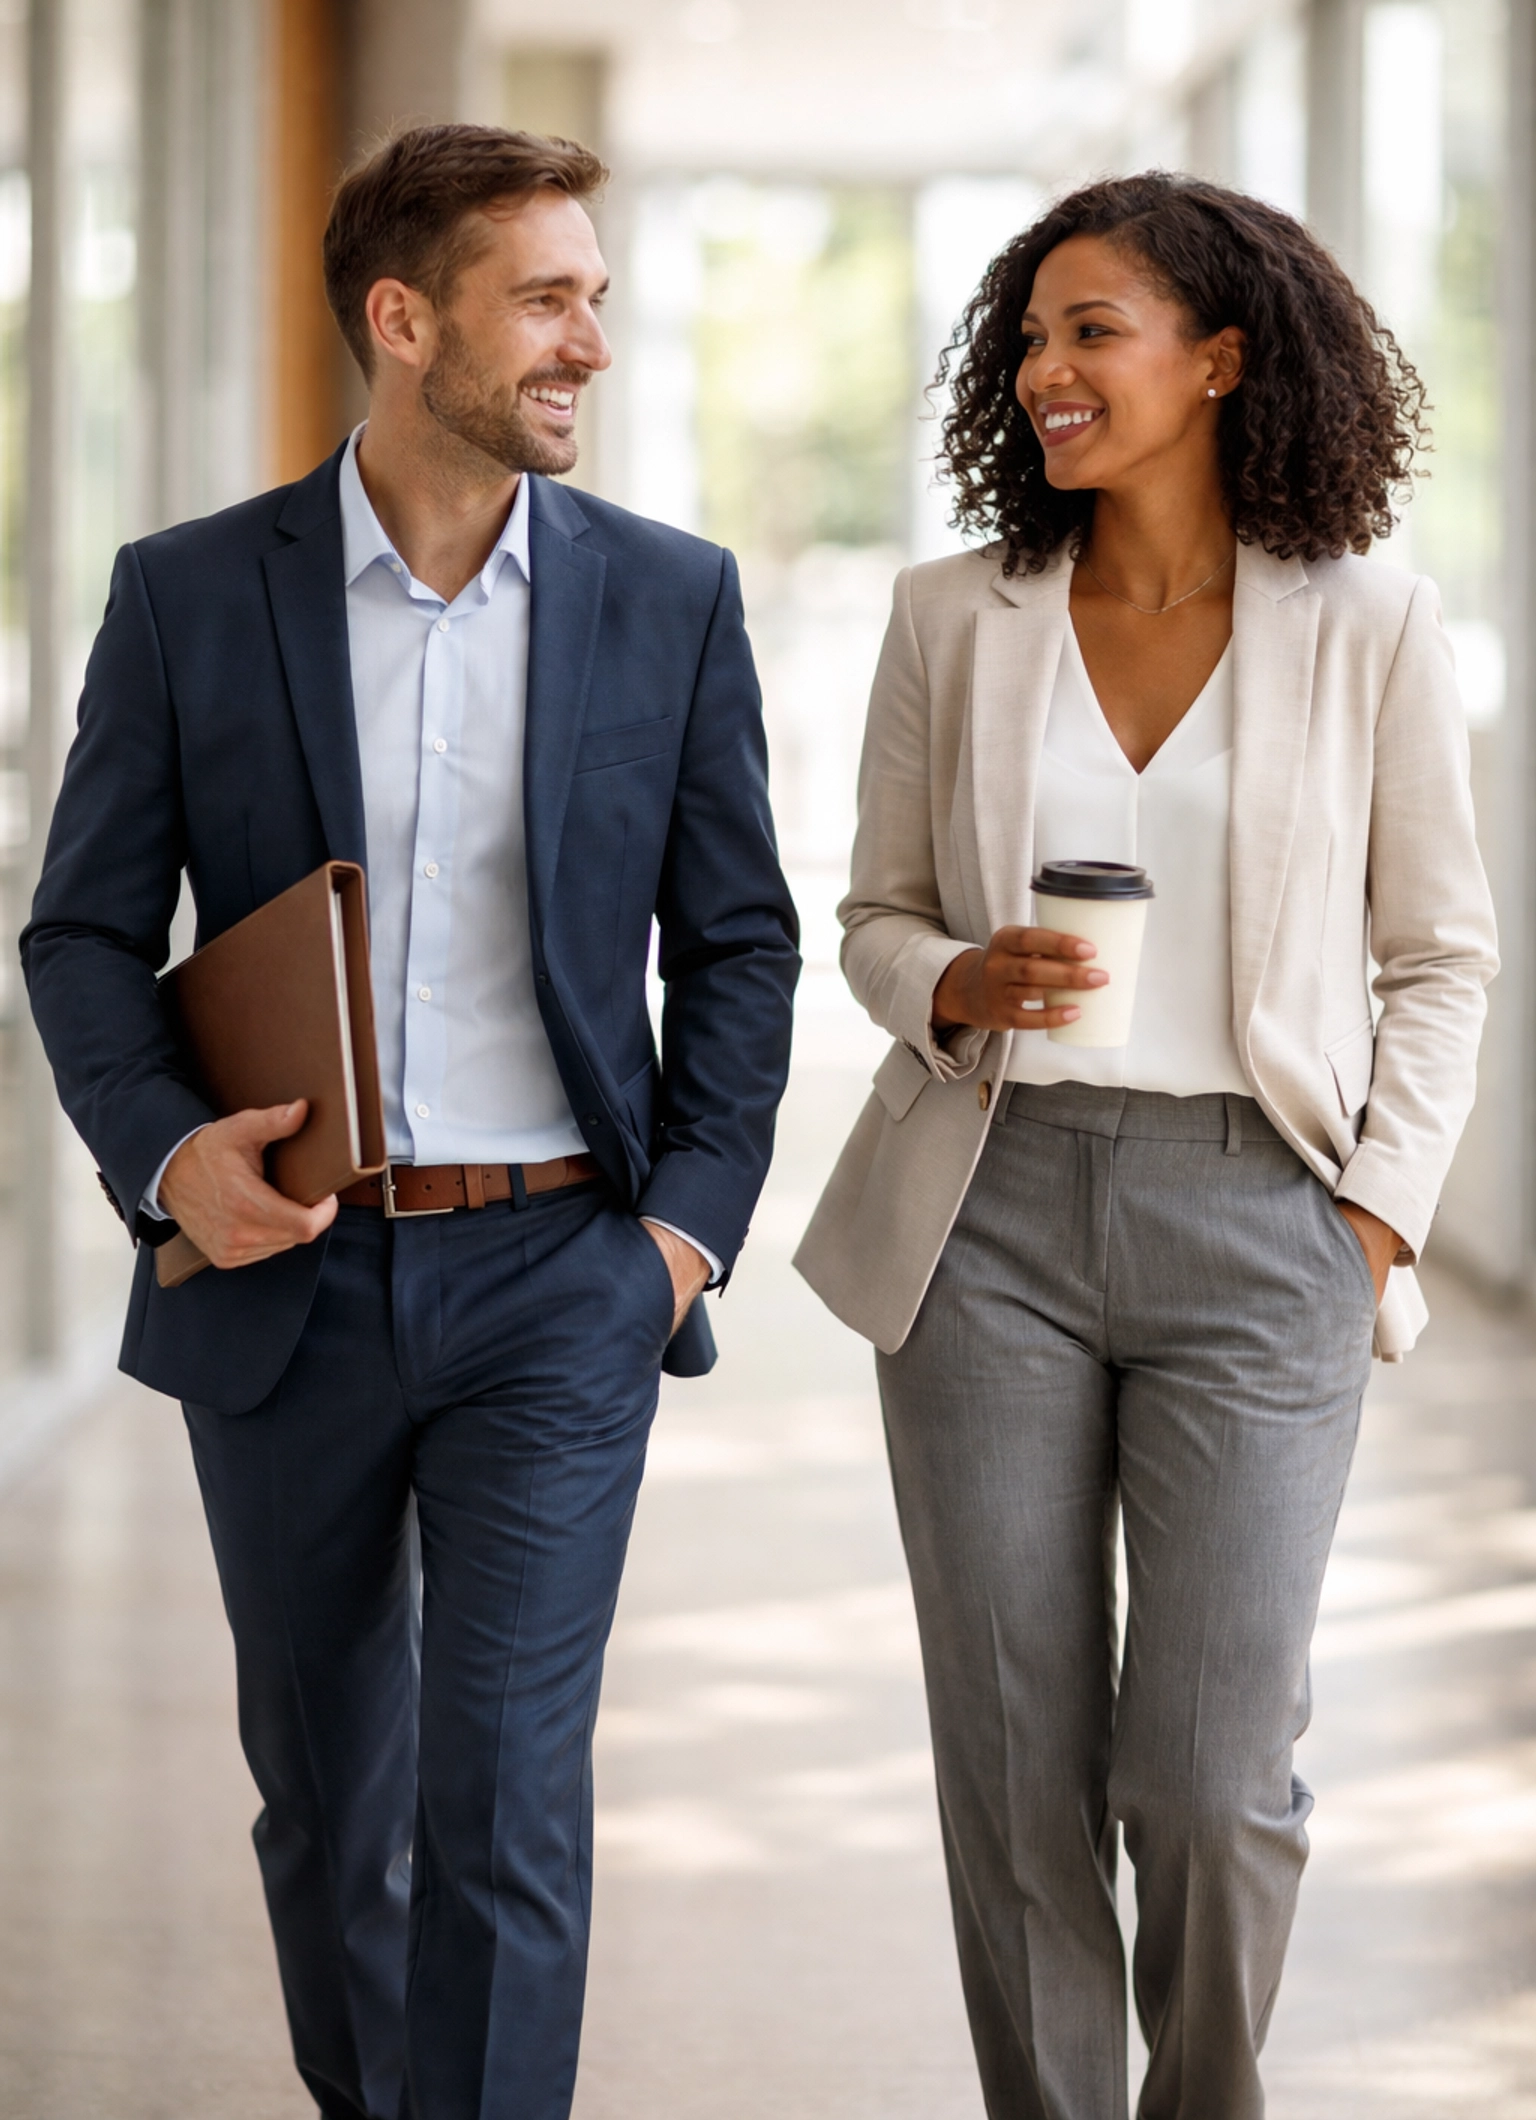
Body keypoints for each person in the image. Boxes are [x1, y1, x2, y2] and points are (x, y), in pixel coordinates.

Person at [22, 124, 799, 2120]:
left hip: (562, 1277)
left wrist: (678, 1237)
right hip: (289, 1280)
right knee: (330, 1808)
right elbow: (86, 931)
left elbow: (740, 945)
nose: (590, 342)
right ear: (404, 316)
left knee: (507, 1814)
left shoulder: (667, 599)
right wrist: (167, 1157)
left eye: (597, 298)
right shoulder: (192, 596)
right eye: (549, 298)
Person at [795, 172, 1496, 2120]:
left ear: (1219, 357)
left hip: (1260, 1216)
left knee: (1202, 1769)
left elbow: (1442, 957)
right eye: (1024, 339)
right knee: (1015, 1766)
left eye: (1087, 332)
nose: (1042, 372)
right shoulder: (956, 617)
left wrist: (1370, 1220)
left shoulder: (1370, 626)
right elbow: (867, 920)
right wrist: (954, 977)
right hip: (986, 1217)